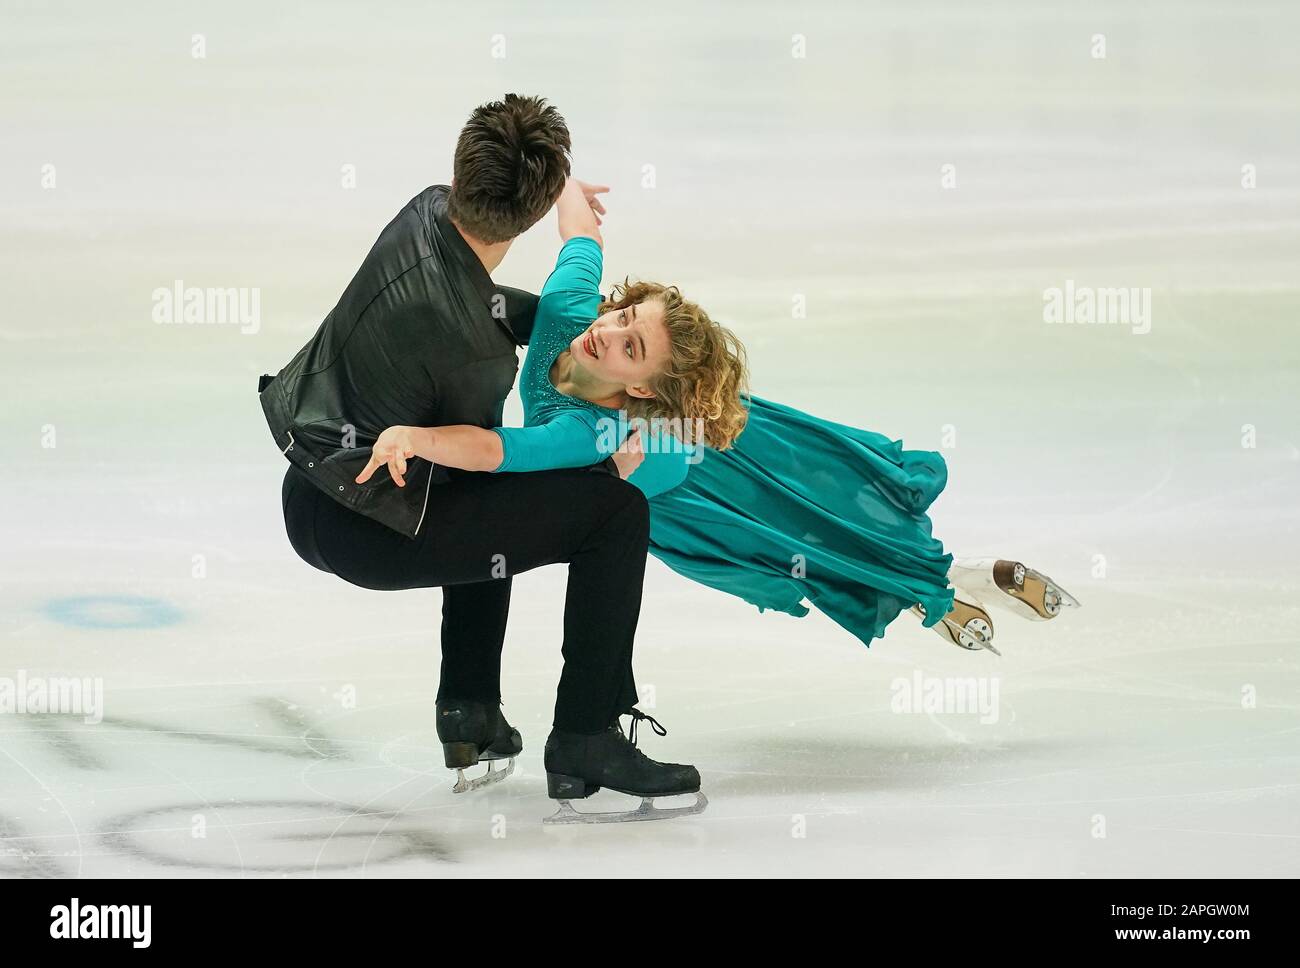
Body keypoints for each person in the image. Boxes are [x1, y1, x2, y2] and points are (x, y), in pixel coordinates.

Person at [359, 174, 1081, 673]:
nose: (607, 334)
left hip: (708, 491)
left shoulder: (590, 430)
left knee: (823, 542)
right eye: (621, 317)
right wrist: (554, 172)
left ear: (641, 386)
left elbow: (494, 451)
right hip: (710, 454)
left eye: (629, 345)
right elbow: (579, 230)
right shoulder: (568, 314)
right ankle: (953, 587)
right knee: (839, 526)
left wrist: (416, 438)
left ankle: (949, 593)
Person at [259, 95, 704, 825]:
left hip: (307, 488)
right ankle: (587, 736)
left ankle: (471, 710)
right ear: (529, 215)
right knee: (614, 515)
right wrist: (605, 463)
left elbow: (484, 300)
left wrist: (565, 233)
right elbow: (491, 445)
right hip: (361, 525)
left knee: (489, 502)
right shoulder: (474, 356)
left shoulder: (425, 209)